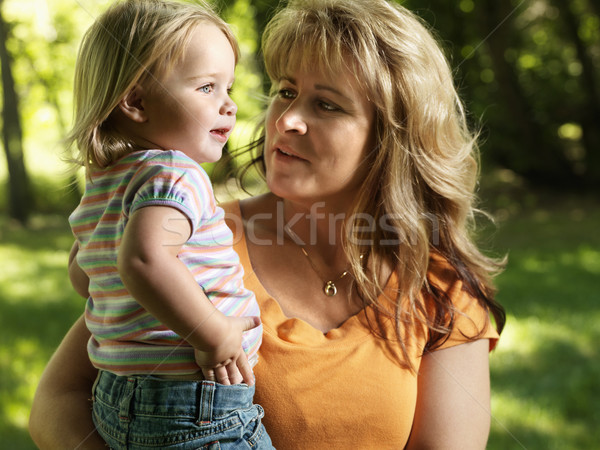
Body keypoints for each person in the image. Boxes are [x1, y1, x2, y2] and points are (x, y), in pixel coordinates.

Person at [29, 0, 506, 448]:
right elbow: (58, 401)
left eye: (327, 104)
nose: (287, 120)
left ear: (392, 139)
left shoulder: (441, 290)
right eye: (286, 91)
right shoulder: (196, 239)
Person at [53, 0, 273, 448]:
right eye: (207, 88)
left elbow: (83, 278)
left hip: (115, 399)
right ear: (136, 101)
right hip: (193, 400)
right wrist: (213, 335)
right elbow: (143, 260)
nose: (229, 105)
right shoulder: (175, 171)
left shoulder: (104, 182)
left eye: (227, 88)